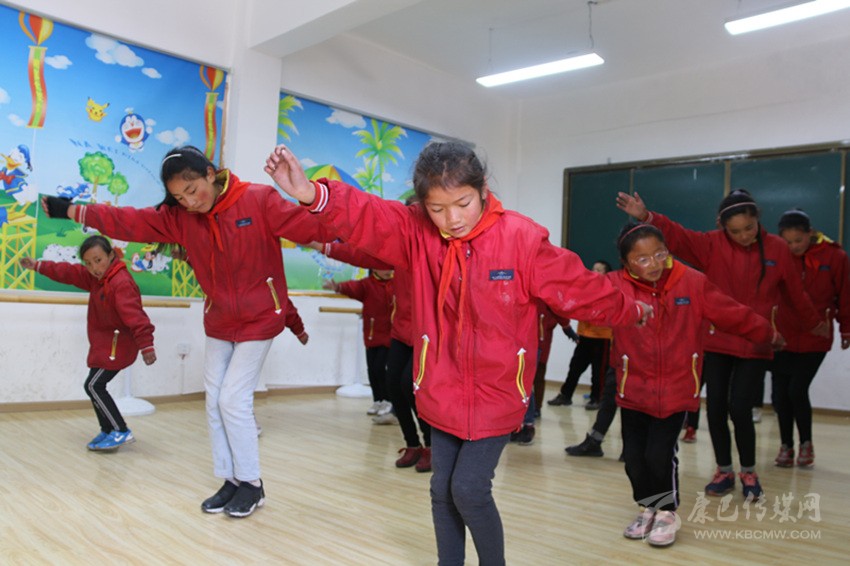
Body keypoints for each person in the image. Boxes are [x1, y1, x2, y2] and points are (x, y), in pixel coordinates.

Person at [266, 141, 652, 565]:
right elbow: (367, 215)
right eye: (437, 208)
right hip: (441, 387)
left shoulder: (520, 238)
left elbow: (577, 287)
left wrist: (631, 309)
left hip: (497, 392)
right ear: (422, 206)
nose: (452, 219)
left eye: (463, 203)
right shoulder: (415, 231)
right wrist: (310, 193)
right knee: (441, 490)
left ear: (483, 189)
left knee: (468, 489)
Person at [42, 145, 329, 519]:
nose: (190, 202)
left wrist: (309, 196)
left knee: (233, 399)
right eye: (179, 197)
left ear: (210, 173)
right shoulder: (179, 219)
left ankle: (252, 484)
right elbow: (127, 220)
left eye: (192, 190)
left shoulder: (258, 200)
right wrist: (71, 210)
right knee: (214, 399)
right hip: (220, 319)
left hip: (260, 318)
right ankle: (230, 479)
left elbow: (311, 228)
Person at [617, 189, 827, 499]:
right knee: (715, 408)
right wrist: (647, 217)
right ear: (722, 226)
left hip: (754, 342)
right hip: (717, 340)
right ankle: (724, 470)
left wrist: (813, 324)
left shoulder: (778, 249)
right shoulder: (711, 245)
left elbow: (795, 292)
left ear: (758, 220)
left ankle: (749, 471)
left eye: (749, 228)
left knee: (740, 408)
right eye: (735, 231)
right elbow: (677, 236)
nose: (743, 236)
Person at [609, 222, 780, 547]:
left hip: (675, 390)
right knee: (634, 458)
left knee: (659, 455)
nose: (654, 263)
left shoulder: (691, 282)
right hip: (633, 389)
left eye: (659, 254)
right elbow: (583, 300)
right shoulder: (615, 286)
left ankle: (666, 513)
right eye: (642, 259)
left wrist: (767, 333)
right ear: (626, 262)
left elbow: (733, 314)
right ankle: (648, 507)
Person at [20, 235, 156, 451]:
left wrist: (146, 345)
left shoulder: (120, 283)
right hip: (104, 345)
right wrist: (38, 265)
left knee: (93, 385)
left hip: (118, 345)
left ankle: (120, 430)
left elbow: (136, 316)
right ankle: (108, 430)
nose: (94, 268)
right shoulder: (96, 278)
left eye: (98, 260)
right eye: (89, 263)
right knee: (94, 385)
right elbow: (68, 272)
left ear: (111, 255)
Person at [773, 209, 850, 467]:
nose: (793, 247)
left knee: (796, 389)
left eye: (798, 240)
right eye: (788, 242)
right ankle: (786, 445)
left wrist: (846, 329)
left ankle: (806, 443)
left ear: (810, 233)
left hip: (816, 335)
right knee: (780, 393)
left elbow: (845, 295)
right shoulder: (777, 255)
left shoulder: (835, 256)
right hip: (782, 335)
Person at [324, 269, 395, 418]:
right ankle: (377, 400)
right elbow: (352, 287)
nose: (388, 271)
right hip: (372, 334)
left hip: (390, 335)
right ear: (374, 269)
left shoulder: (395, 284)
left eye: (390, 268)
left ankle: (388, 400)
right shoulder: (367, 284)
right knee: (372, 370)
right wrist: (337, 287)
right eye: (384, 268)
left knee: (380, 368)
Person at [547, 260, 613, 409]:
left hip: (602, 337)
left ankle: (597, 399)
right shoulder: (586, 288)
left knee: (598, 371)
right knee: (575, 367)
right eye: (593, 269)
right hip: (584, 334)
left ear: (606, 274)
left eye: (599, 270)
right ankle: (565, 395)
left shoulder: (609, 291)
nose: (594, 272)